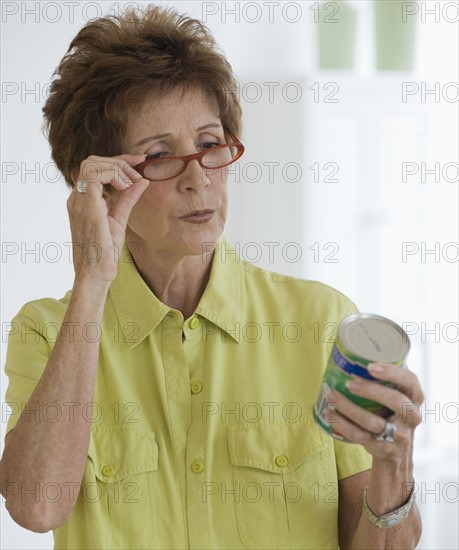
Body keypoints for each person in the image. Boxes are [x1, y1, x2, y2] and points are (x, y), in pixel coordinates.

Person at [0, 5, 424, 549]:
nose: (199, 178)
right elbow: (36, 507)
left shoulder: (320, 321)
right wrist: (91, 282)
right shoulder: (47, 330)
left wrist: (396, 464)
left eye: (209, 143)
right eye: (159, 155)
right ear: (101, 181)